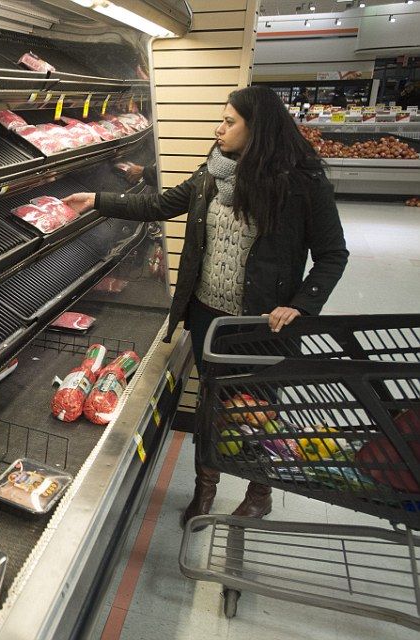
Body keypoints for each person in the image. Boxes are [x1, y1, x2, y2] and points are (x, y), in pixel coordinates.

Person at [62, 86, 348, 526]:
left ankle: (259, 491)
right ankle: (205, 490)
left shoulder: (303, 184)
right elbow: (161, 203)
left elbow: (333, 255)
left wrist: (301, 306)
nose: (219, 129)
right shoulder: (215, 172)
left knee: (258, 412)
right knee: (213, 408)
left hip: (262, 323)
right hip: (209, 315)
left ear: (259, 130)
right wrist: (98, 200)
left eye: (230, 122)